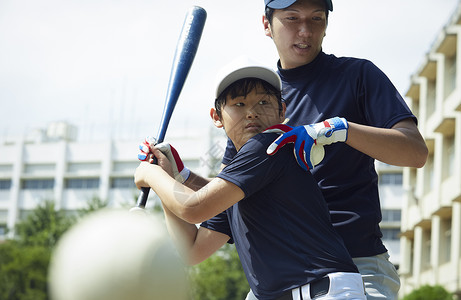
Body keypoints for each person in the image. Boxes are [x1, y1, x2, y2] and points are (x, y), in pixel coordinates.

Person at [225, 0, 426, 299]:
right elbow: (222, 203)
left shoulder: (357, 75)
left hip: (356, 266)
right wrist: (178, 174)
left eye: (316, 19)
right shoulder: (254, 103)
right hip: (276, 278)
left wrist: (342, 129)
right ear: (267, 25)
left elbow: (415, 152)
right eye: (292, 18)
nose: (305, 31)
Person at [135, 60, 366, 300]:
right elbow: (192, 250)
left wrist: (151, 175)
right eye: (239, 103)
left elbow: (193, 209)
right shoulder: (238, 184)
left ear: (282, 111)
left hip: (321, 293)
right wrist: (169, 175)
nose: (252, 111)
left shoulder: (267, 145)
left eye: (264, 102)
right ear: (217, 116)